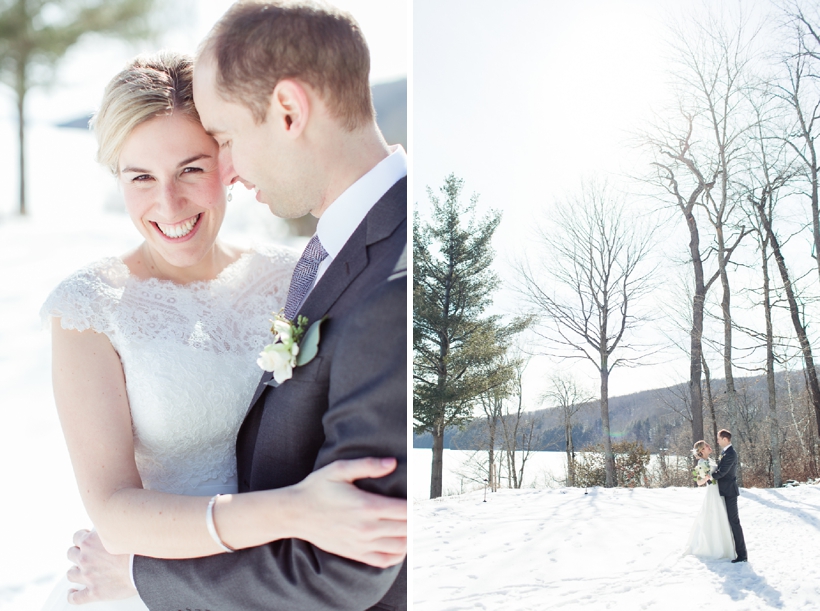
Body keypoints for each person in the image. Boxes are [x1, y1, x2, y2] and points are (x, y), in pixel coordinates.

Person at [67, 1, 408, 610]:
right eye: (138, 176)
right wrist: (288, 512)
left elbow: (352, 558)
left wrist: (141, 576)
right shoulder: (92, 307)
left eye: (211, 151)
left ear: (286, 112)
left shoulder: (311, 272)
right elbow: (114, 511)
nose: (169, 203)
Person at [683, 440, 735, 560]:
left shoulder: (710, 461)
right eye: (706, 446)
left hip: (719, 491)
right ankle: (712, 547)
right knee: (713, 516)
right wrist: (706, 478)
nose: (709, 446)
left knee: (721, 516)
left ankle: (724, 545)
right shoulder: (701, 463)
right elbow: (699, 482)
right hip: (712, 492)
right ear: (701, 450)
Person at [710, 429, 748, 563]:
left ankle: (742, 555)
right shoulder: (725, 453)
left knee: (734, 522)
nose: (717, 441)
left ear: (725, 439)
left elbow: (723, 472)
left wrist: (709, 477)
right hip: (724, 491)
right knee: (728, 522)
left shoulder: (731, 454)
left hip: (730, 492)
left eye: (718, 438)